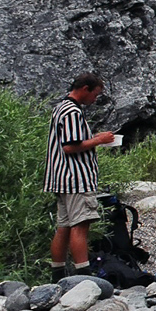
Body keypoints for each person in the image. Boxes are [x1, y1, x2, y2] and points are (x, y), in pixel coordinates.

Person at [45, 73, 116, 283]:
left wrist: (93, 138)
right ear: (85, 89)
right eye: (95, 94)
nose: (95, 99)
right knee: (80, 225)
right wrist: (99, 140)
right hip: (76, 178)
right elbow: (70, 146)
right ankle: (83, 276)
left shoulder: (60, 107)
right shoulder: (72, 111)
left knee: (64, 226)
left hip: (60, 177)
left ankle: (57, 274)